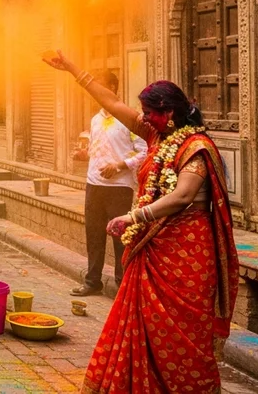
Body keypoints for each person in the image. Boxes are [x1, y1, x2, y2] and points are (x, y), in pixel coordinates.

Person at [43, 51, 238, 393]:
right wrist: (73, 66)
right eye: (144, 113)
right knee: (142, 320)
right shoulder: (155, 135)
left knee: (183, 332)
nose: (145, 119)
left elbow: (182, 196)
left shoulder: (196, 146)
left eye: (151, 113)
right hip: (154, 246)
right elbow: (113, 102)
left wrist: (134, 216)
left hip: (187, 255)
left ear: (170, 112)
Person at [72, 70, 147, 297]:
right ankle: (93, 281)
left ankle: (121, 285)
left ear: (113, 89)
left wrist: (119, 165)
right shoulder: (95, 119)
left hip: (119, 187)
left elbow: (145, 152)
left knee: (120, 238)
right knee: (93, 234)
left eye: (102, 87)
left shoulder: (128, 119)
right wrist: (85, 155)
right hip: (94, 184)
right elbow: (97, 147)